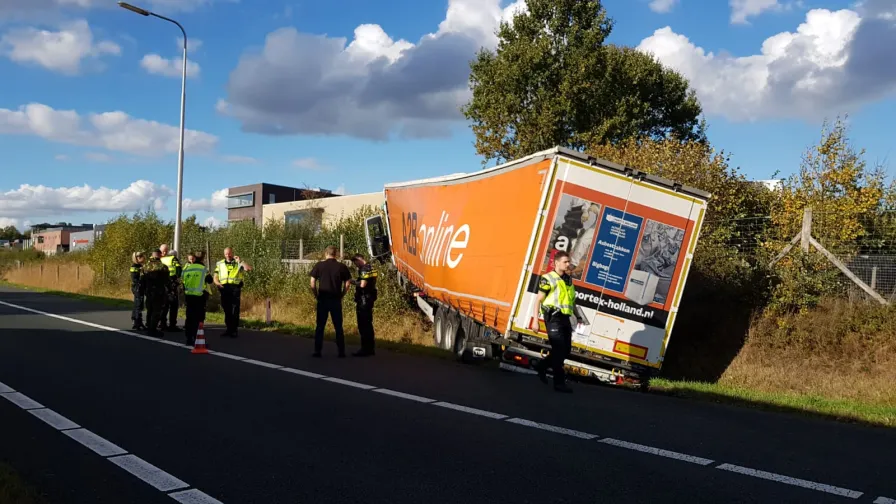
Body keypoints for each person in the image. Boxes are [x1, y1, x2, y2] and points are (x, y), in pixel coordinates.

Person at [530, 251, 583, 393]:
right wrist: (536, 320)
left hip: (565, 318)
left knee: (566, 350)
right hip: (552, 318)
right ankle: (559, 383)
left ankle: (542, 365)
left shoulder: (568, 280)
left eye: (568, 262)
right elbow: (538, 300)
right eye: (565, 262)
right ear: (556, 263)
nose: (568, 264)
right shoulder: (548, 278)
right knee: (559, 351)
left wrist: (578, 316)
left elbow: (571, 301)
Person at [309, 246, 352, 358]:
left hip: (323, 299)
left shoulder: (319, 265)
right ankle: (341, 351)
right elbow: (348, 283)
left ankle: (317, 351)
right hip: (335, 300)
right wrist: (342, 294)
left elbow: (312, 283)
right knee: (338, 326)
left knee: (320, 326)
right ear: (336, 254)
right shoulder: (341, 267)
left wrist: (316, 295)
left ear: (326, 253)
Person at [214, 247, 252, 338]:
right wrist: (217, 283)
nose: (228, 255)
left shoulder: (238, 263)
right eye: (226, 254)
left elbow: (248, 269)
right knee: (226, 310)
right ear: (224, 254)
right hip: (224, 288)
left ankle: (234, 330)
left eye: (229, 253)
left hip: (235, 288)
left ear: (232, 253)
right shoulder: (220, 263)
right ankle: (228, 329)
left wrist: (240, 261)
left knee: (234, 310)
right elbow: (215, 276)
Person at [181, 251, 213, 346]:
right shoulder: (203, 269)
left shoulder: (186, 268)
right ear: (202, 259)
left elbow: (183, 281)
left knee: (190, 318)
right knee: (199, 318)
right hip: (199, 297)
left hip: (189, 296)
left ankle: (188, 338)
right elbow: (210, 280)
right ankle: (197, 339)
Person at [349, 253, 378, 357]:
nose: (356, 266)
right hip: (370, 298)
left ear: (358, 260)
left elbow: (362, 284)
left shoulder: (364, 269)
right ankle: (370, 348)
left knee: (363, 325)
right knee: (369, 324)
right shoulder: (371, 267)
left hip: (364, 300)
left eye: (356, 263)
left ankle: (365, 349)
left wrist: (351, 281)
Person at [142, 249, 170, 338]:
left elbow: (142, 279)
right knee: (156, 311)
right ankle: (153, 329)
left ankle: (148, 326)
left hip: (148, 291)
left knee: (149, 309)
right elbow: (167, 280)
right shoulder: (163, 266)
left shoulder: (145, 266)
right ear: (160, 255)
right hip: (159, 291)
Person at [159, 244, 183, 332]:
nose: (164, 252)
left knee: (165, 305)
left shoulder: (160, 259)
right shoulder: (173, 259)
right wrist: (177, 279)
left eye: (166, 250)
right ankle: (170, 325)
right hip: (170, 284)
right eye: (163, 251)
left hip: (165, 284)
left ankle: (163, 324)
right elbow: (179, 270)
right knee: (172, 305)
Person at [129, 251, 146, 330]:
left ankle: (136, 320)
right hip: (137, 287)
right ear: (136, 258)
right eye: (140, 256)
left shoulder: (140, 266)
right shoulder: (135, 266)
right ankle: (137, 322)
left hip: (139, 287)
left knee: (138, 303)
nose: (143, 257)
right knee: (138, 304)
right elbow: (135, 278)